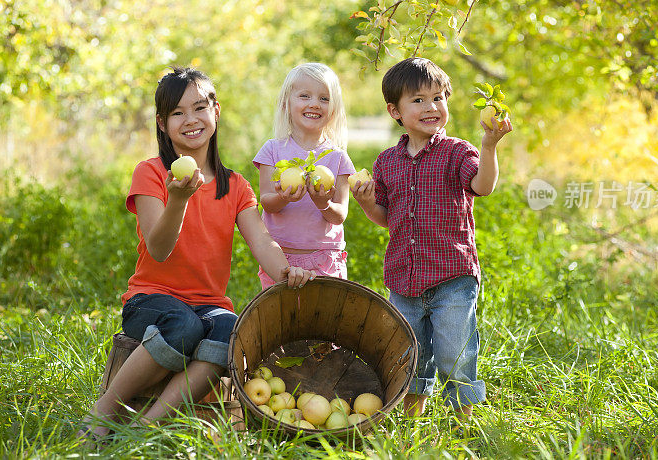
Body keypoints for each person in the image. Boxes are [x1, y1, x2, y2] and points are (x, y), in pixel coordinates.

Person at [81, 67, 314, 441]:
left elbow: (261, 241)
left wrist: (288, 271)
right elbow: (158, 250)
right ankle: (103, 410)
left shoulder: (235, 186)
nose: (191, 120)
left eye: (199, 108)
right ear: (162, 123)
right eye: (177, 113)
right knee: (183, 326)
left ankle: (146, 427)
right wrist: (178, 200)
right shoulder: (151, 173)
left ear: (216, 112)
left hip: (208, 304)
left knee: (228, 330)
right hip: (150, 300)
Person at [350, 57, 512, 417]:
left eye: (438, 98)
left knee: (456, 351)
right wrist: (365, 203)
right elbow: (387, 218)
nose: (431, 107)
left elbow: (482, 186)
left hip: (451, 275)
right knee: (411, 352)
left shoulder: (458, 152)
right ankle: (413, 419)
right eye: (419, 100)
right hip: (404, 280)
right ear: (395, 111)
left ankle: (463, 422)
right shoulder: (386, 162)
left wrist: (489, 146)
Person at [252, 63, 355, 289]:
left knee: (325, 320)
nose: (314, 104)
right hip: (280, 259)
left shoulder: (338, 158)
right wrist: (284, 197)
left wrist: (323, 203)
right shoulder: (272, 151)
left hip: (325, 260)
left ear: (334, 108)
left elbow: (339, 215)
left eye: (324, 99)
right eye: (304, 96)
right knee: (282, 319)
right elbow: (267, 202)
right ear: (286, 103)